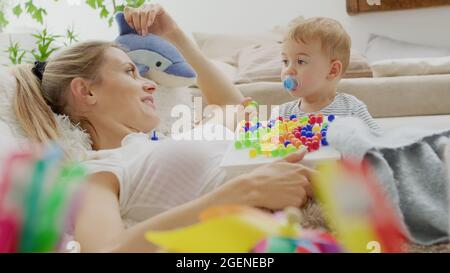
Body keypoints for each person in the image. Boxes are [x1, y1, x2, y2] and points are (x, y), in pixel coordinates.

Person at [10, 4, 314, 252]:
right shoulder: (100, 170)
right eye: (130, 72)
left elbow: (237, 110)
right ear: (87, 92)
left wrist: (176, 36)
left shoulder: (169, 139)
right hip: (292, 227)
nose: (150, 85)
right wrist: (243, 192)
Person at [272, 17, 381, 133]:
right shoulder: (283, 113)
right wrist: (251, 124)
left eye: (301, 61)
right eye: (285, 61)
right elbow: (266, 144)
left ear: (332, 70)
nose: (288, 70)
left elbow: (378, 139)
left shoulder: (351, 108)